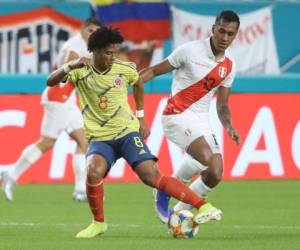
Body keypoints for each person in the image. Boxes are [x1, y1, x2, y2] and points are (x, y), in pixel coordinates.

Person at [47, 26, 223, 238]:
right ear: (94, 50)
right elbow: (51, 81)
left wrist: (140, 116)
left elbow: (138, 83)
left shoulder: (125, 69)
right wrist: (69, 66)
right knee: (93, 171)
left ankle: (203, 206)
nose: (113, 57)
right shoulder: (79, 70)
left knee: (151, 175)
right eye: (108, 53)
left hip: (126, 133)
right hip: (100, 138)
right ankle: (98, 223)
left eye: (115, 52)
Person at [139, 10, 241, 224]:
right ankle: (168, 188)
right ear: (213, 29)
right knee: (204, 157)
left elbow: (222, 105)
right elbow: (155, 71)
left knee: (215, 172)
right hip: (176, 114)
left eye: (230, 34)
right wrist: (135, 81)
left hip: (201, 119)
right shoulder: (190, 51)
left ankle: (177, 213)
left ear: (235, 35)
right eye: (221, 31)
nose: (224, 38)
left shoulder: (229, 65)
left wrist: (229, 126)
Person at [0, 18, 102, 202]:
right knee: (47, 141)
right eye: (90, 31)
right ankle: (12, 175)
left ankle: (80, 190)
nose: (92, 35)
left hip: (68, 99)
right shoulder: (76, 46)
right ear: (83, 29)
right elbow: (67, 69)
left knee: (84, 141)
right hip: (58, 97)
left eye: (96, 32)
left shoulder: (83, 45)